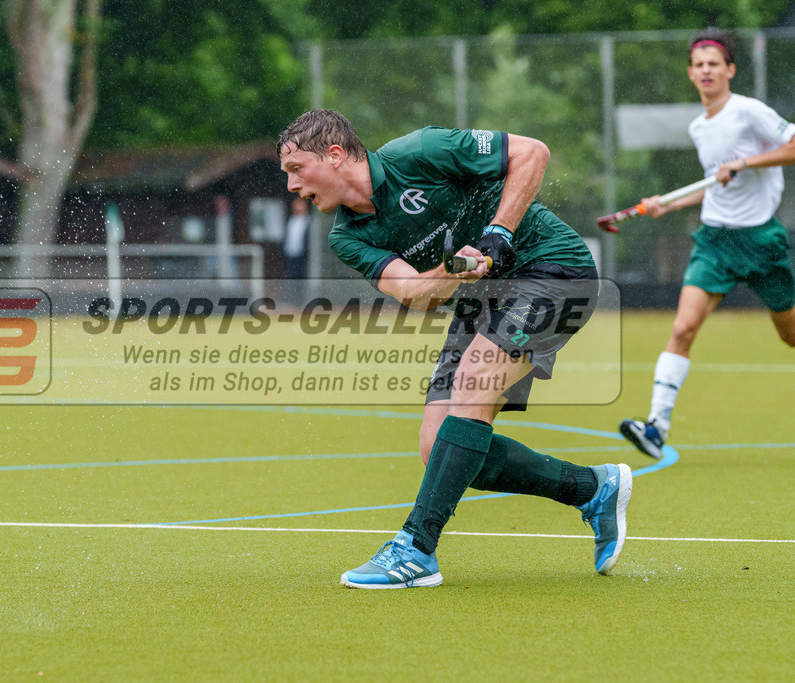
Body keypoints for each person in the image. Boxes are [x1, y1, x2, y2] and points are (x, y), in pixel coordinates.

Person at [277, 109, 631, 588]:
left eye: (296, 169)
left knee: (472, 384)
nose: (292, 185)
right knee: (436, 445)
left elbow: (533, 153)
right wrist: (456, 270)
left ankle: (416, 548)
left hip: (554, 271)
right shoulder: (347, 235)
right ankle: (592, 488)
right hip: (481, 298)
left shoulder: (420, 151)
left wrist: (498, 232)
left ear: (335, 155)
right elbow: (416, 293)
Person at [619, 29, 795, 460]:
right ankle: (657, 426)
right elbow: (717, 186)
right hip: (715, 240)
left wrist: (746, 161)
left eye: (714, 63)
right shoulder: (700, 127)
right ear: (691, 74)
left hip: (760, 240)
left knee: (791, 338)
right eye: (699, 65)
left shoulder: (748, 111)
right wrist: (670, 204)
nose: (706, 71)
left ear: (730, 70)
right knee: (682, 328)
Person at [283, 196, 311, 280]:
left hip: (303, 257)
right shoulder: (291, 220)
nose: (296, 206)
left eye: (299, 203)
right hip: (291, 256)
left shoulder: (309, 220)